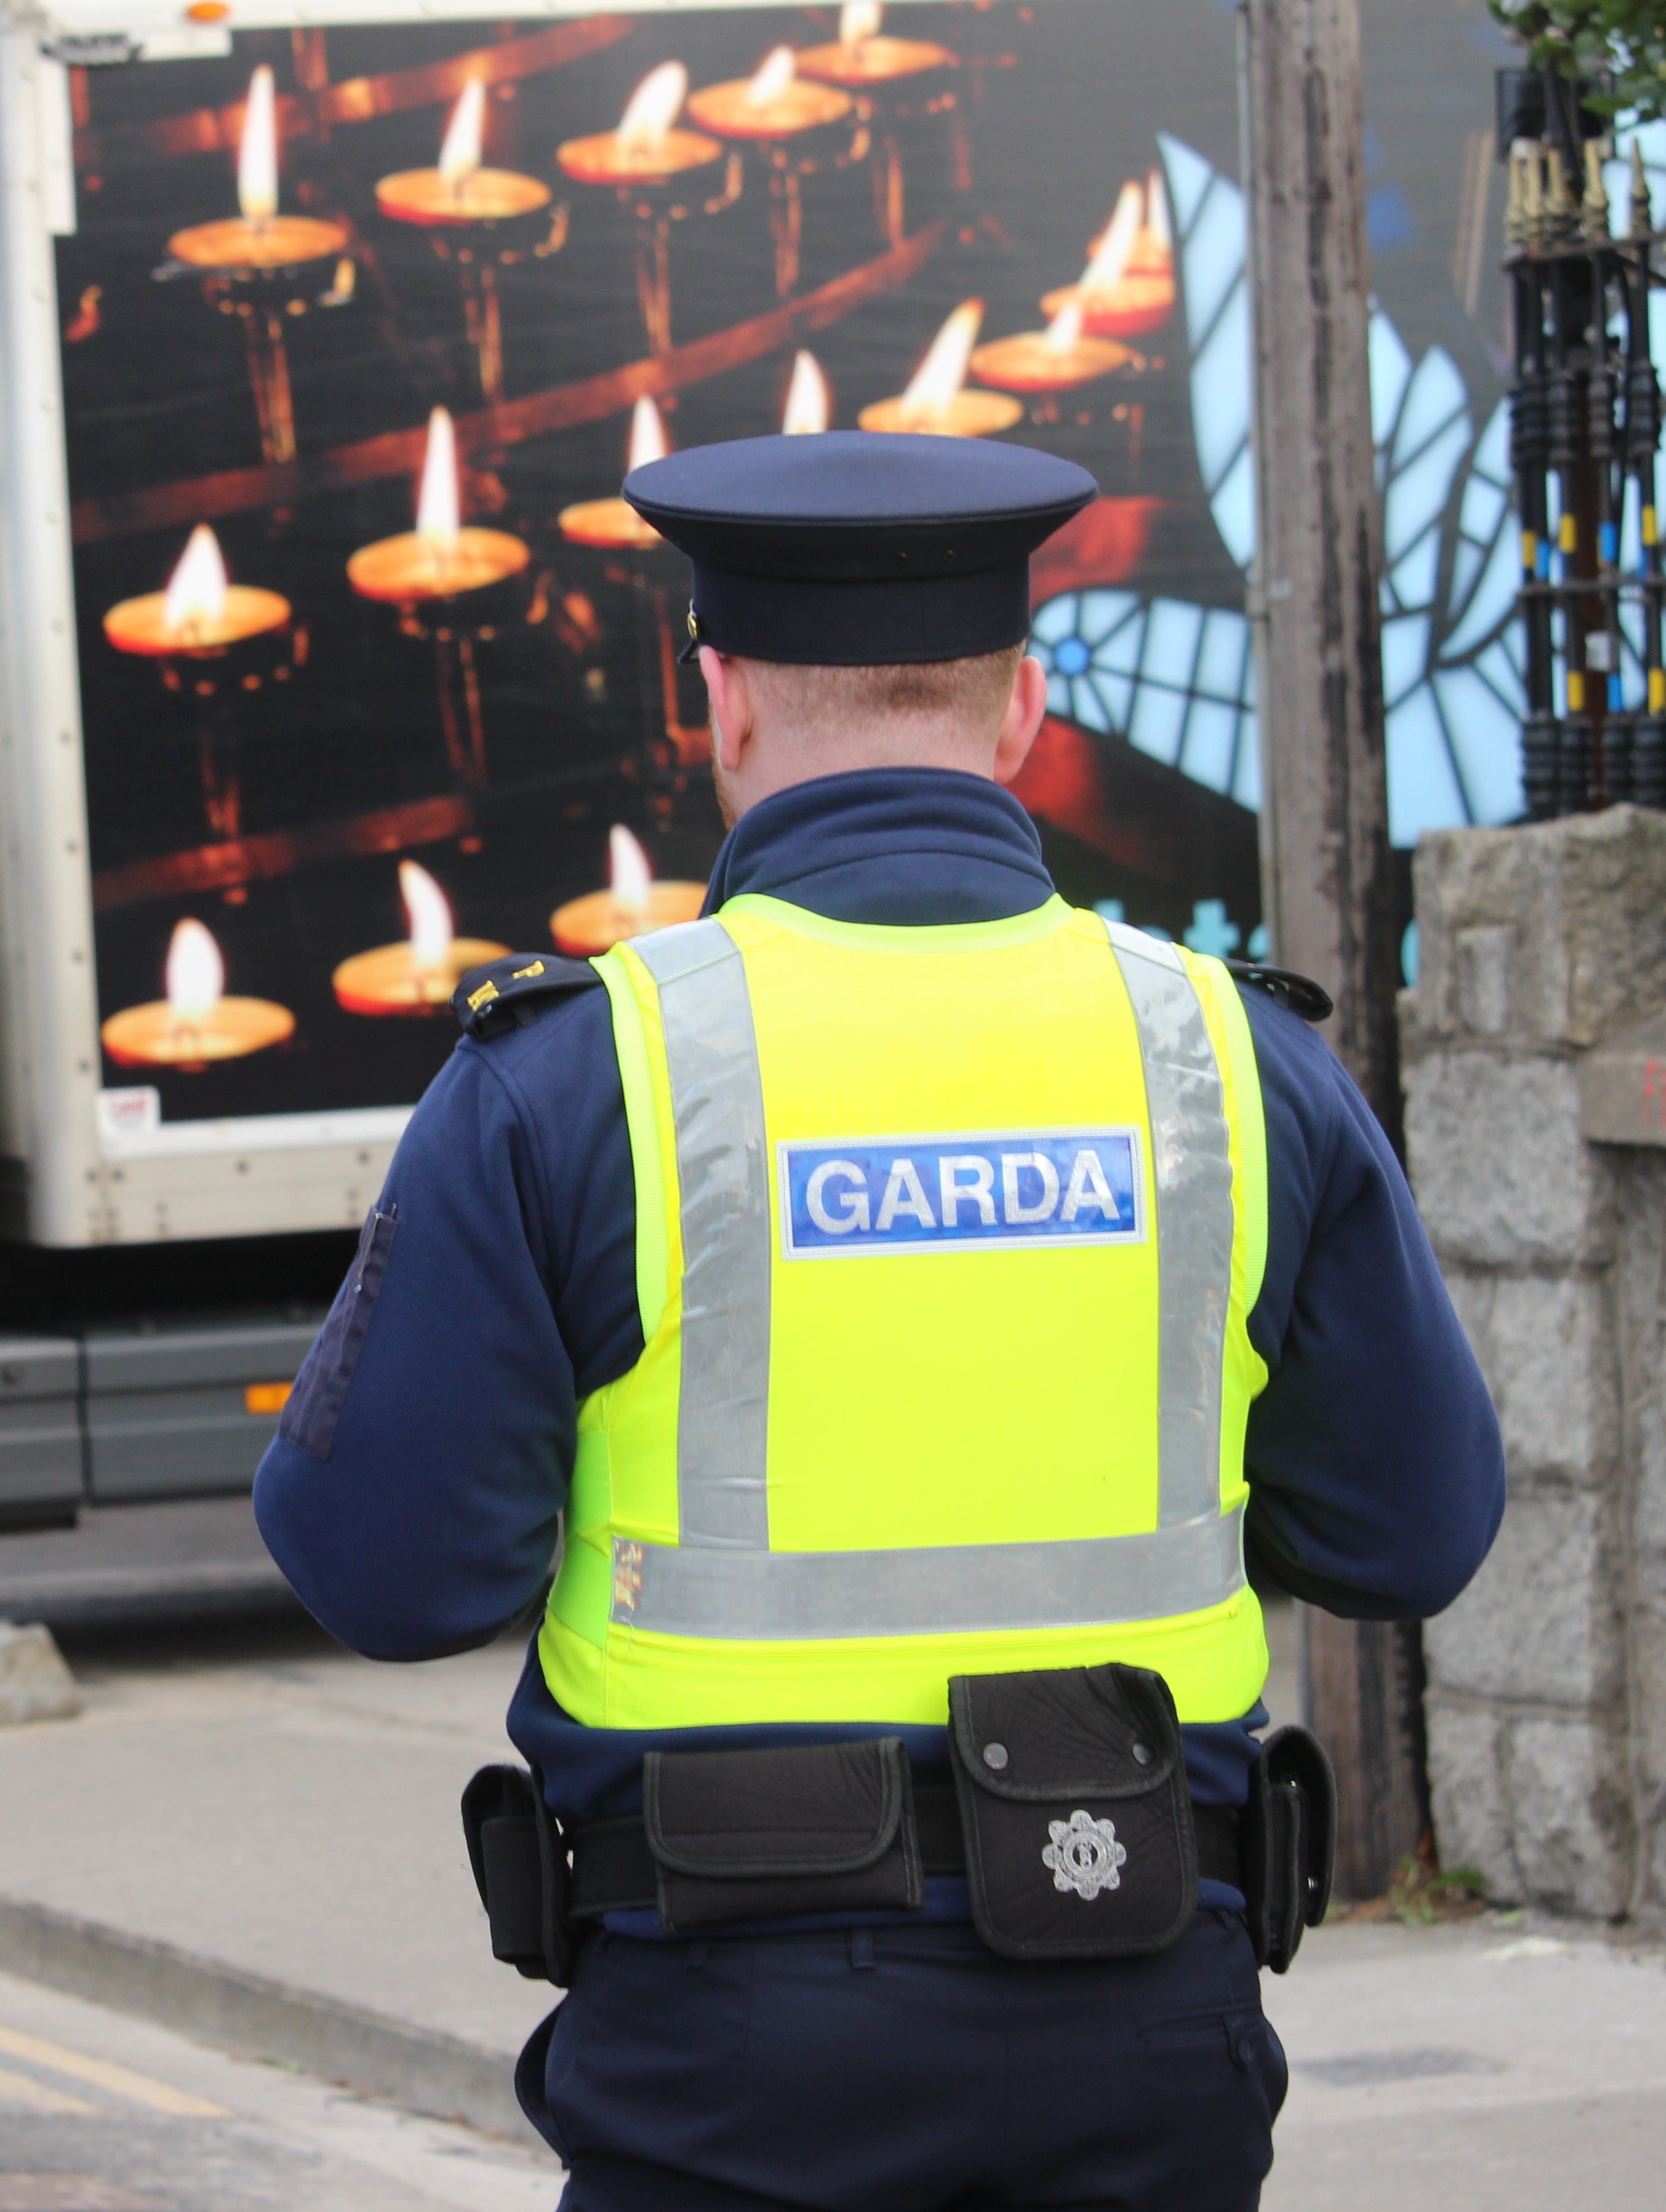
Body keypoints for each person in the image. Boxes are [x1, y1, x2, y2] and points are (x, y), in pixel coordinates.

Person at [252, 432, 1507, 2212]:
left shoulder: (582, 1074)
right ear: (1021, 710)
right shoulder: (1231, 1059)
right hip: (1145, 2005)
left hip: (734, 2042)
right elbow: (1412, 1529)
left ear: (723, 705)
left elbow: (381, 1572)